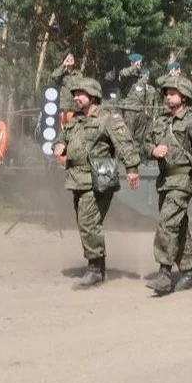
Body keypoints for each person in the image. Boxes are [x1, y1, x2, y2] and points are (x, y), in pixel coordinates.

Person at [51, 77, 141, 289]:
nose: (76, 97)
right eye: (74, 94)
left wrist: (132, 169)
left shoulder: (108, 118)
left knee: (88, 222)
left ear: (92, 95)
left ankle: (93, 270)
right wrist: (59, 145)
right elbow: (61, 138)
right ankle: (99, 267)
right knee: (87, 222)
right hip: (77, 178)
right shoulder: (74, 121)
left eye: (80, 94)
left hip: (101, 175)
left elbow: (125, 143)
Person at [142, 77, 192, 295]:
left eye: (173, 92)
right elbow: (145, 143)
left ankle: (164, 273)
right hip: (165, 180)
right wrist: (153, 151)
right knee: (179, 225)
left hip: (183, 180)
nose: (168, 96)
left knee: (167, 223)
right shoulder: (160, 121)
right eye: (166, 92)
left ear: (184, 96)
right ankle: (188, 272)